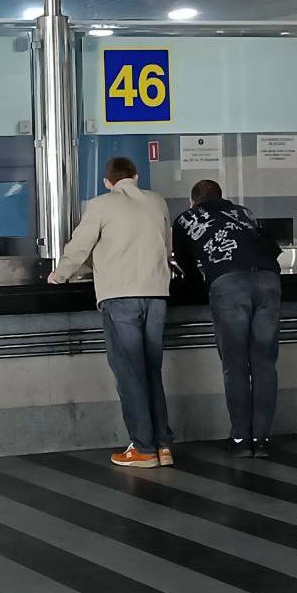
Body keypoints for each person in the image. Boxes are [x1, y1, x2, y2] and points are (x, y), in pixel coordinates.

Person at [47, 157, 174, 468]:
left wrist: (59, 275)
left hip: (120, 297)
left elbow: (80, 246)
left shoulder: (100, 205)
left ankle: (143, 449)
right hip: (156, 294)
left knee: (130, 373)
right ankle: (163, 446)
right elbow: (166, 247)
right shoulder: (157, 202)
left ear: (107, 182)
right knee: (151, 371)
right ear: (136, 176)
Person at [173, 179, 283, 458]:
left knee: (235, 365)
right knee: (264, 364)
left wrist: (202, 285)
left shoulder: (186, 218)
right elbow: (268, 247)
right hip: (269, 281)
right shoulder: (243, 212)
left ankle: (241, 439)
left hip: (229, 284)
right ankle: (261, 439)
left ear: (192, 200)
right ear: (223, 197)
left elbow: (186, 267)